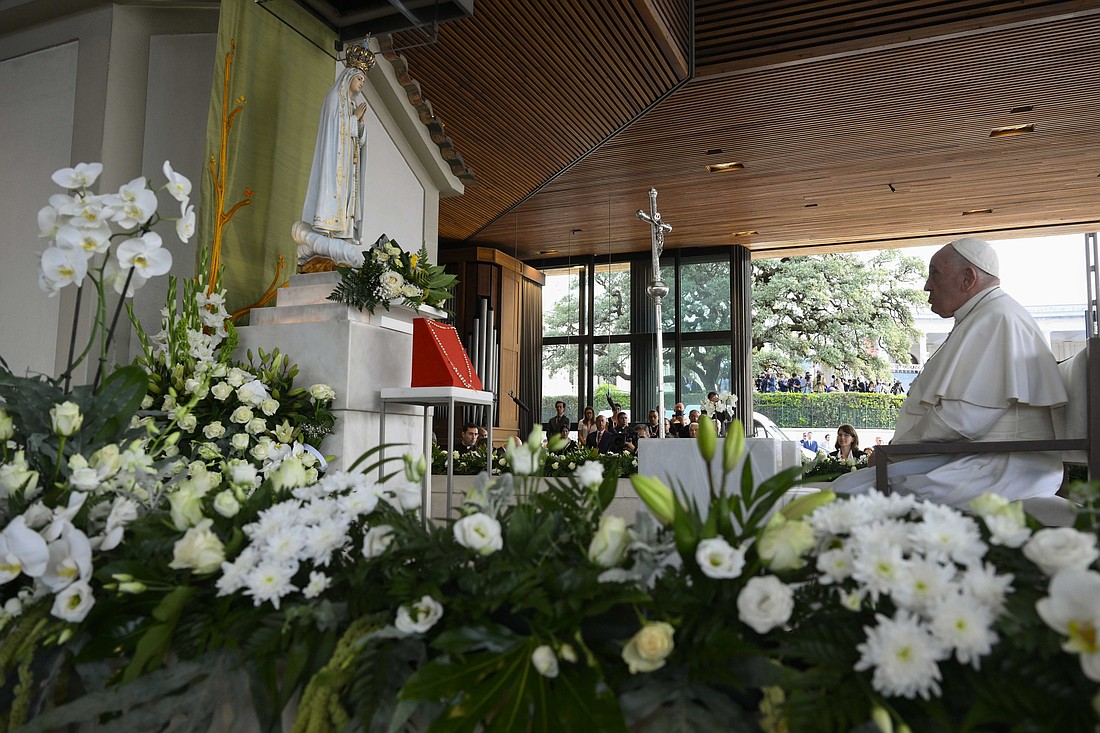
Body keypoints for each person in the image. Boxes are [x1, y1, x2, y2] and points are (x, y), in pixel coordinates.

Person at [833, 237, 1068, 506]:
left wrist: (893, 453)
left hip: (1002, 468)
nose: (926, 285)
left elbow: (960, 419)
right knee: (847, 488)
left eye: (935, 273)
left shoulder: (996, 318)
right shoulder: (985, 315)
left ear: (967, 278)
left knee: (844, 496)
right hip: (980, 457)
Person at [294, 47, 375, 271]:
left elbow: (357, 139)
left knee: (348, 201)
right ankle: (327, 234)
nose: (361, 84)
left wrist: (358, 124)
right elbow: (333, 131)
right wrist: (352, 120)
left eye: (363, 81)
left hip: (348, 168)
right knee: (334, 199)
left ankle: (342, 237)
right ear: (348, 76)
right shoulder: (333, 99)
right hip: (334, 165)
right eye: (359, 79)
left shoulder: (349, 105)